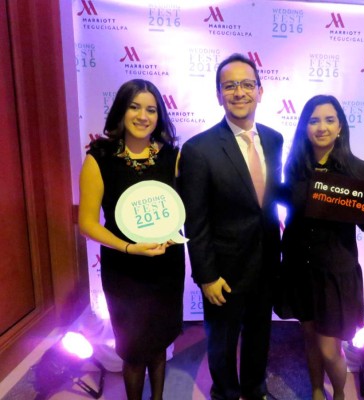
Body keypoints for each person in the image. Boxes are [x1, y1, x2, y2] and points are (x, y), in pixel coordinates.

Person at [279, 95, 364, 400]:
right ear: (304, 127)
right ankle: (316, 390)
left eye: (329, 120)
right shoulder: (295, 166)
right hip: (299, 266)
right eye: (314, 120)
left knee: (330, 347)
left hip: (335, 271)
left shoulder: (356, 169)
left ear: (340, 126)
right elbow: (289, 210)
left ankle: (339, 394)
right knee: (309, 336)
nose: (322, 127)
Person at [177, 53, 283, 400]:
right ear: (219, 94)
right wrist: (205, 275)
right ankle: (224, 393)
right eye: (230, 86)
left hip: (266, 262)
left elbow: (274, 198)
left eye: (247, 84)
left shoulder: (275, 139)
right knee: (221, 342)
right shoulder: (199, 149)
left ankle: (255, 389)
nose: (240, 92)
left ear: (260, 91)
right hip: (223, 270)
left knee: (259, 335)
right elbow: (196, 218)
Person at [78, 79, 185, 400]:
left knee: (159, 343)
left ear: (159, 116)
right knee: (134, 349)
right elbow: (86, 223)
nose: (143, 116)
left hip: (166, 267)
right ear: (121, 111)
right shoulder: (99, 157)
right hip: (124, 269)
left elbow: (184, 208)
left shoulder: (172, 157)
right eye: (134, 107)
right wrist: (127, 246)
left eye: (151, 109)